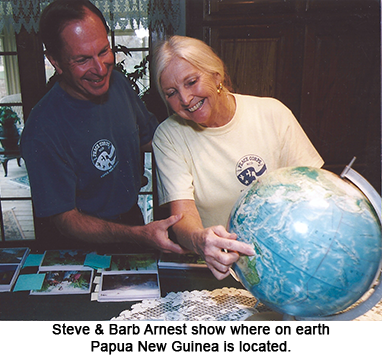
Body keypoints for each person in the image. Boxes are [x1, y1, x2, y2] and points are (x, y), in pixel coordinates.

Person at [20, 0, 186, 254]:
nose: (100, 69)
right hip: (80, 246)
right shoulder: (41, 129)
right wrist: (136, 235)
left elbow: (151, 139)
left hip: (132, 223)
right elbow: (66, 220)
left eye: (103, 51)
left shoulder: (118, 83)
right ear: (55, 61)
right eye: (82, 59)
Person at [152, 36, 324, 279]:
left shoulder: (273, 114)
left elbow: (316, 192)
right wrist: (199, 240)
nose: (185, 99)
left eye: (191, 82)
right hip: (217, 269)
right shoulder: (168, 136)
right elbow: (182, 216)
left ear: (216, 75)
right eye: (171, 93)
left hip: (285, 263)